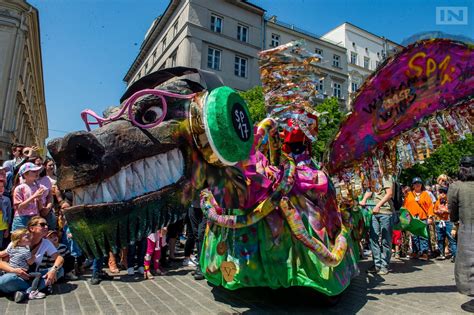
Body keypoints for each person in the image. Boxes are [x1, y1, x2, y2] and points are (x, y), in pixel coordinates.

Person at [0, 216, 64, 302]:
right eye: (42, 224)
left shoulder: (46, 242)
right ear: (32, 228)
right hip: (14, 275)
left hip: (31, 276)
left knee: (60, 271)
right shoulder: (18, 241)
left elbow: (59, 257)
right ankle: (33, 290)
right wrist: (14, 270)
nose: (46, 227)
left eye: (47, 224)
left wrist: (53, 270)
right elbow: (2, 260)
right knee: (6, 280)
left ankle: (25, 292)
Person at [448, 156, 474, 297]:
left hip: (466, 226)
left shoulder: (456, 186)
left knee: (466, 259)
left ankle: (469, 289)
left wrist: (454, 221)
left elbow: (452, 207)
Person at [360, 171, 394, 275]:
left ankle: (384, 265)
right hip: (374, 212)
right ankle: (377, 264)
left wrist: (378, 205)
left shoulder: (387, 177)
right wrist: (364, 200)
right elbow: (370, 191)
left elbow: (389, 194)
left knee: (385, 239)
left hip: (385, 212)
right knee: (373, 238)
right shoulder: (373, 177)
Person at [0, 228, 44, 301]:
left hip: (9, 271)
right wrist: (34, 256)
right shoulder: (25, 251)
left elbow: (6, 253)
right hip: (22, 272)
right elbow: (30, 262)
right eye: (27, 237)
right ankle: (32, 291)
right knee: (38, 275)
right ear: (19, 240)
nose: (30, 238)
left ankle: (18, 293)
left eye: (29, 236)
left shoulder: (12, 247)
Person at [403, 177, 434, 261]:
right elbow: (405, 207)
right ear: (413, 185)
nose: (417, 185)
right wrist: (405, 218)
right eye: (415, 183)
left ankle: (424, 252)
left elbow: (430, 206)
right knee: (414, 236)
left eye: (419, 183)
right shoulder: (409, 194)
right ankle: (415, 251)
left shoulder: (425, 194)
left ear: (421, 185)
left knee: (423, 235)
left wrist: (430, 217)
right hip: (412, 219)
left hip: (422, 217)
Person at [11, 163, 46, 231]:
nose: (37, 173)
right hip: (21, 219)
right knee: (20, 240)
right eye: (33, 171)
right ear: (25, 174)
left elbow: (40, 208)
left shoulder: (37, 187)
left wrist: (39, 199)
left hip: (35, 218)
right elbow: (19, 207)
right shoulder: (19, 188)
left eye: (37, 171)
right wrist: (34, 196)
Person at [434, 186, 456, 261]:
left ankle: (455, 255)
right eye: (440, 192)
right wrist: (437, 211)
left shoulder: (450, 201)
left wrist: (445, 211)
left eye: (444, 192)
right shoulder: (437, 201)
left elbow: (453, 210)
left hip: (448, 221)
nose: (442, 194)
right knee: (440, 238)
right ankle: (441, 254)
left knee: (451, 238)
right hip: (439, 221)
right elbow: (434, 209)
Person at [0, 180, 12, 249]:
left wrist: (7, 229)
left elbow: (9, 214)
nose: (1, 188)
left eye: (2, 187)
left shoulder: (7, 199)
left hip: (2, 226)